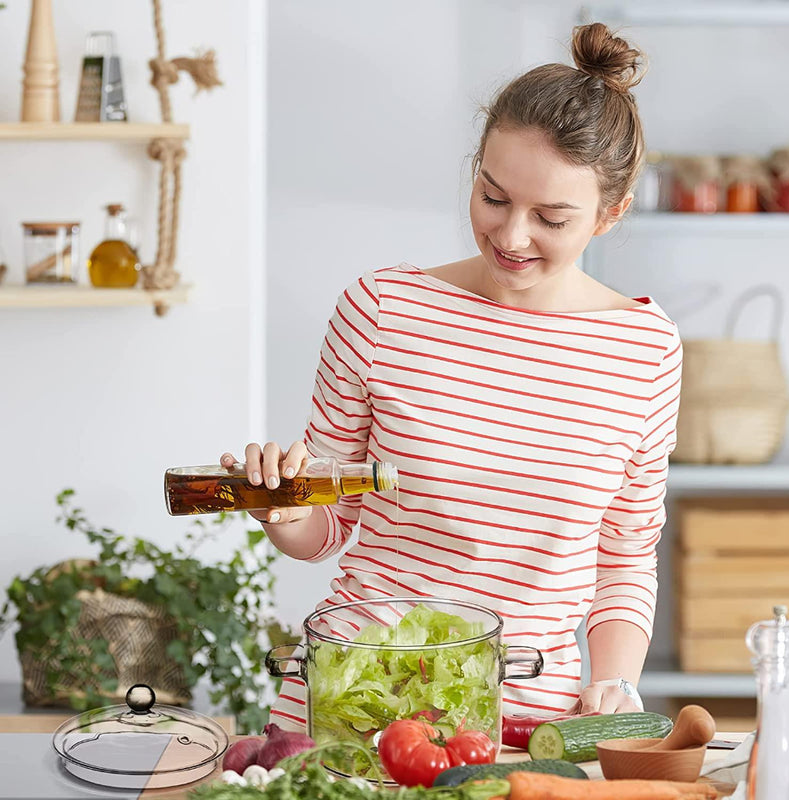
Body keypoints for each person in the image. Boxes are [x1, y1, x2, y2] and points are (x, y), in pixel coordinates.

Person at [222, 22, 682, 732]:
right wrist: (280, 507)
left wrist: (616, 682)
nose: (511, 235)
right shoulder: (381, 310)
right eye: (493, 197)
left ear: (610, 214)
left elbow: (624, 553)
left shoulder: (645, 350)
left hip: (523, 724)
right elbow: (327, 527)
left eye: (551, 217)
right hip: (353, 697)